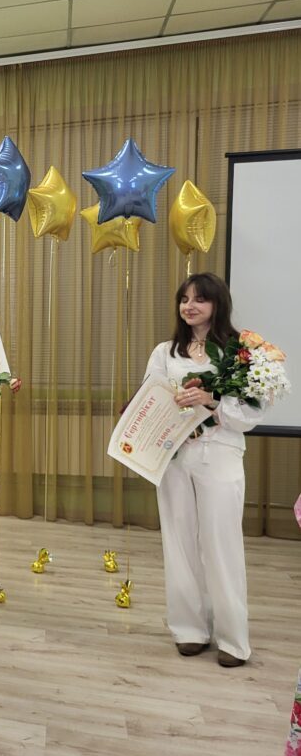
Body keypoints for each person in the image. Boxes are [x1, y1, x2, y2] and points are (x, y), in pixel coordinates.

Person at [144, 272, 263, 668]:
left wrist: (212, 400)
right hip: (174, 456)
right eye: (184, 299)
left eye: (199, 299)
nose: (189, 306)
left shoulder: (241, 351)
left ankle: (233, 639)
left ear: (217, 303)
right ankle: (189, 630)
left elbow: (250, 415)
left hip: (221, 454)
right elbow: (150, 400)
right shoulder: (165, 352)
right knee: (178, 541)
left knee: (221, 543)